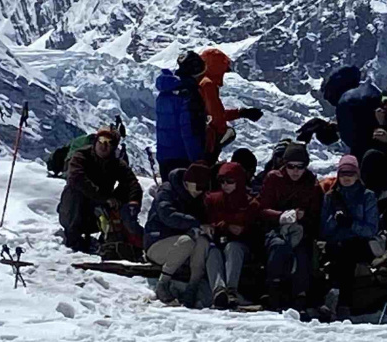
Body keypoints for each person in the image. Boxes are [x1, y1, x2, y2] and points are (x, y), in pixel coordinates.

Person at [144, 163, 226, 307]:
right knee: (187, 241)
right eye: (199, 187)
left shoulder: (196, 197)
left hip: (183, 247)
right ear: (188, 182)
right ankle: (163, 283)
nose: (201, 191)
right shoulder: (167, 191)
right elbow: (168, 216)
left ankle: (192, 288)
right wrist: (196, 223)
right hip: (157, 242)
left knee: (202, 242)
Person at [255, 141, 322, 310]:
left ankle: (301, 295)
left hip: (300, 230)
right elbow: (262, 209)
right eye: (291, 166)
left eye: (300, 167)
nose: (295, 171)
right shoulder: (273, 179)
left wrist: (302, 217)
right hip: (274, 229)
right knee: (279, 246)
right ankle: (273, 290)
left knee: (302, 250)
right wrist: (281, 216)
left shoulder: (312, 185)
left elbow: (316, 215)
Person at [58, 127, 143, 252]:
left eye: (109, 143)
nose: (104, 146)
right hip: (74, 212)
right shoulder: (81, 156)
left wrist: (133, 203)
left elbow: (132, 183)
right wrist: (105, 198)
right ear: (96, 141)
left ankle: (118, 233)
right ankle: (73, 238)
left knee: (126, 189)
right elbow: (76, 178)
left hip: (98, 210)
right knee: (74, 191)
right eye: (102, 140)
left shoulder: (116, 163)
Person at [320, 154, 380, 316]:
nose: (346, 178)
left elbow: (371, 229)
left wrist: (350, 223)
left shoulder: (367, 196)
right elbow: (324, 230)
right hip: (336, 243)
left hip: (360, 243)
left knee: (347, 251)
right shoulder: (331, 197)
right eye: (343, 174)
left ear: (357, 175)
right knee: (341, 252)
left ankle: (336, 297)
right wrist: (335, 220)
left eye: (350, 174)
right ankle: (342, 302)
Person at [201, 161, 259, 308]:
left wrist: (243, 230)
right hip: (218, 242)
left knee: (233, 248)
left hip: (241, 246)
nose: (225, 185)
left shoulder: (250, 203)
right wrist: (221, 227)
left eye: (230, 181)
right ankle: (219, 290)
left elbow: (256, 229)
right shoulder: (212, 199)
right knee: (212, 252)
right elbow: (206, 220)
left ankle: (231, 290)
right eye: (222, 181)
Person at [196, 48, 263, 160]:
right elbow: (217, 117)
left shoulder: (200, 81)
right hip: (206, 143)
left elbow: (213, 113)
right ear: (217, 68)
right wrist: (219, 140)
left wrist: (241, 113)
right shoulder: (208, 85)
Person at [154, 51, 208, 177]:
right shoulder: (188, 94)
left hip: (165, 156)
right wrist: (198, 161)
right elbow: (189, 130)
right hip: (184, 158)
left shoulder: (166, 91)